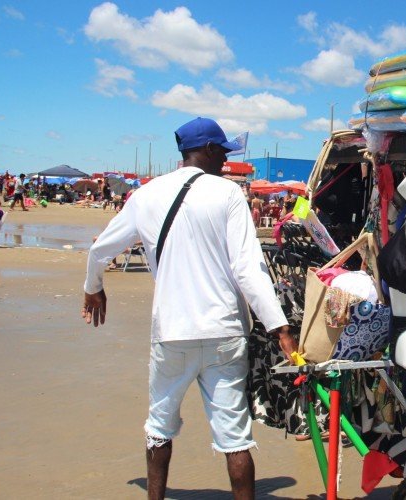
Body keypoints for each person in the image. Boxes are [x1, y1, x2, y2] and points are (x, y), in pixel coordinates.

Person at [82, 117, 296, 500]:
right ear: (210, 150)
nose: (225, 162)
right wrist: (279, 326)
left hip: (172, 333)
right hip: (225, 333)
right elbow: (248, 269)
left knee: (159, 428)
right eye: (223, 153)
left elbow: (101, 249)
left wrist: (93, 287)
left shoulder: (146, 194)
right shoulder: (228, 194)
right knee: (234, 438)